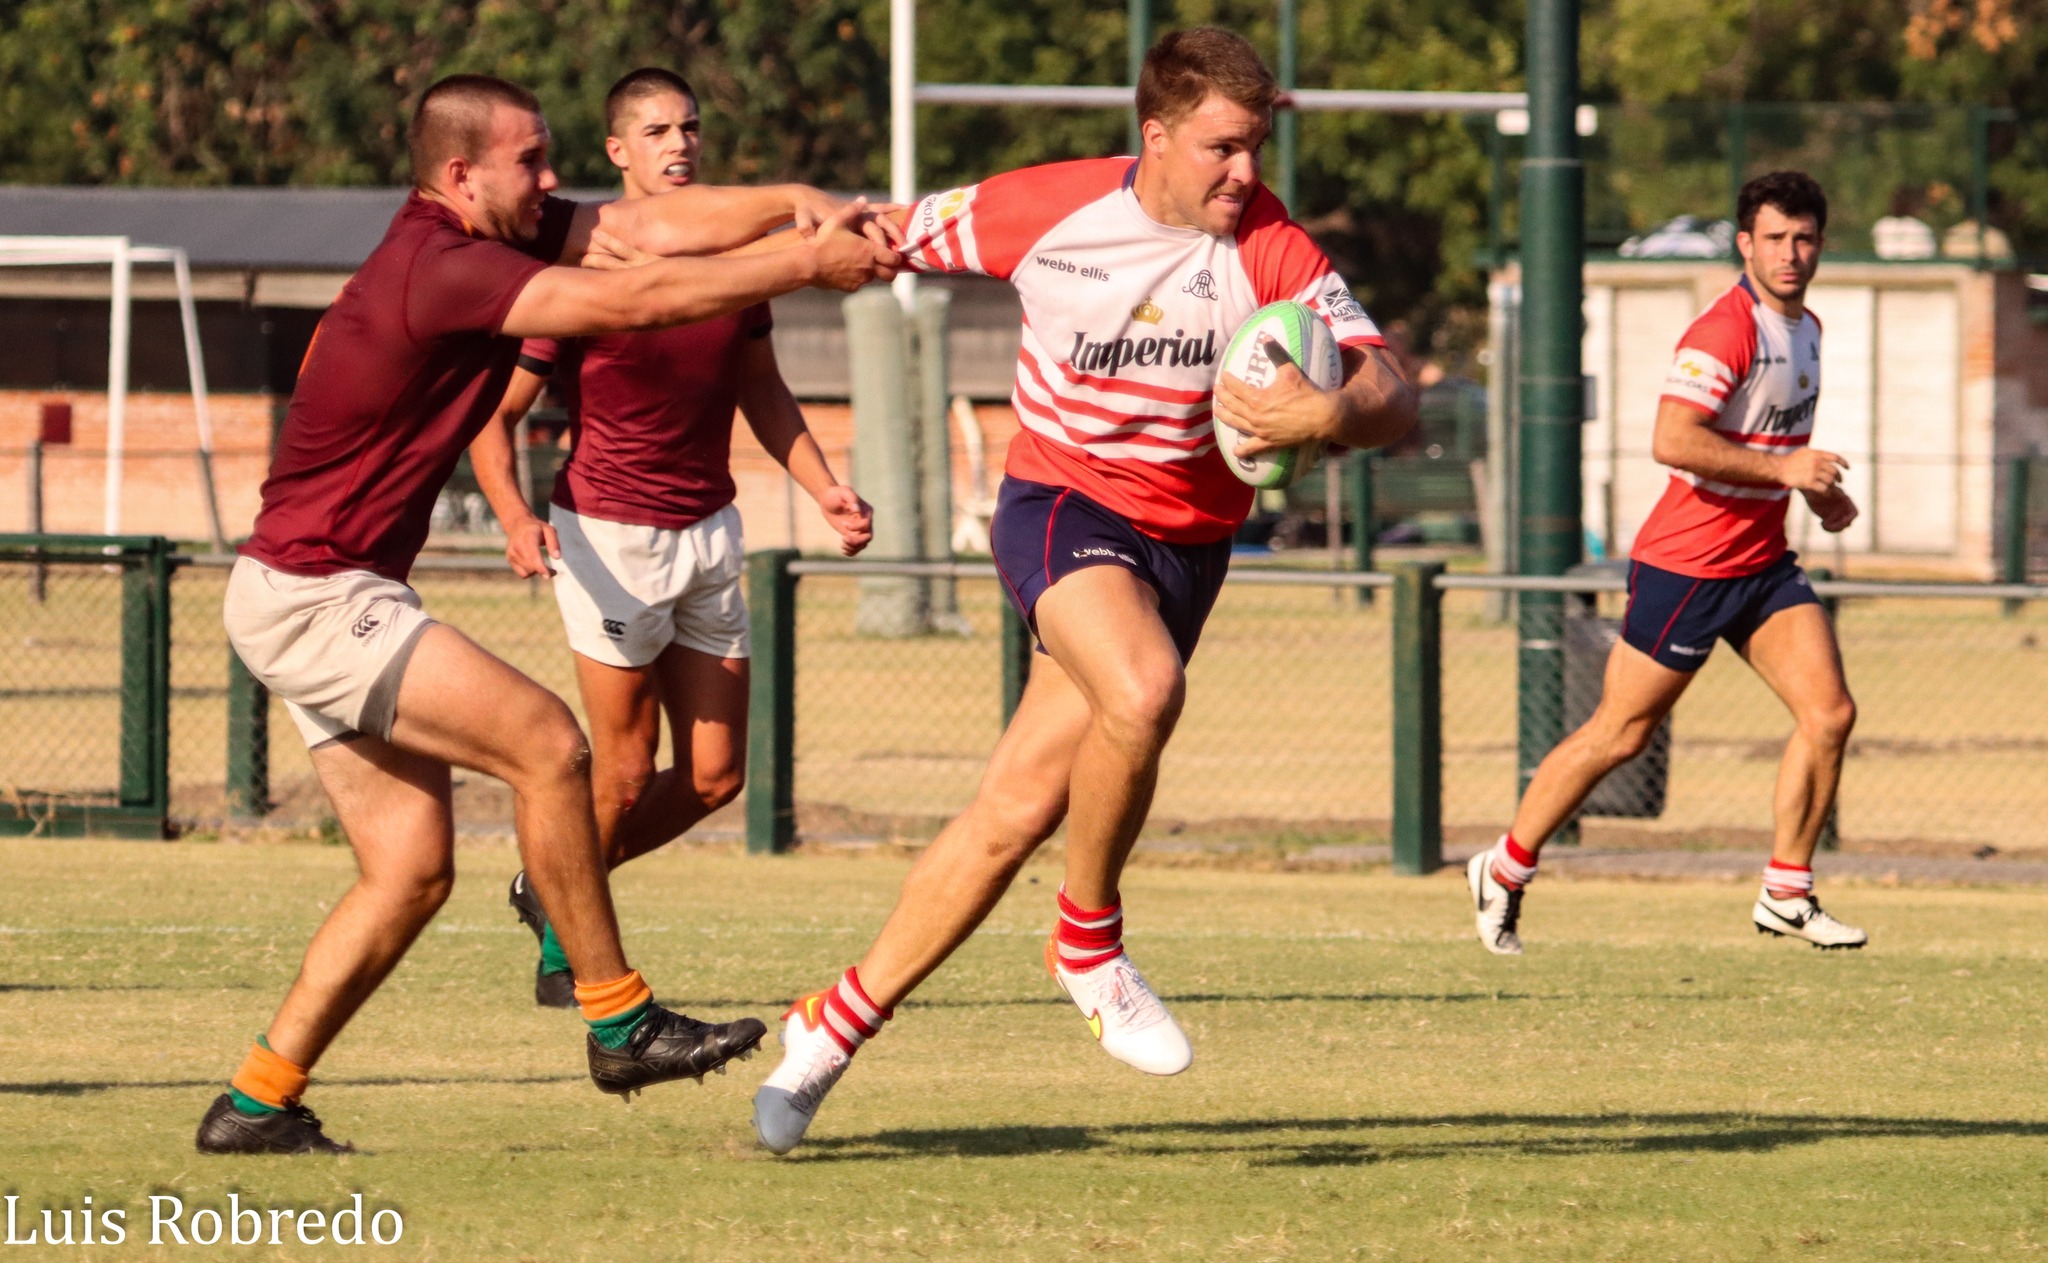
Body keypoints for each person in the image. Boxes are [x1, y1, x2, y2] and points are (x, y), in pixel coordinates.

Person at [199, 73, 899, 1155]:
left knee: (409, 874)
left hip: (317, 592)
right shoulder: (446, 268)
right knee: (551, 748)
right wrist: (805, 261)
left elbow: (643, 228)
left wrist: (791, 197)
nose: (551, 178)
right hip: (316, 596)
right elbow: (630, 298)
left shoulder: (490, 231)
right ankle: (618, 1019)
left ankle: (256, 1101)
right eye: (531, 162)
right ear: (459, 174)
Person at [746, 27, 1417, 1155]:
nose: (1245, 175)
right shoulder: (1040, 210)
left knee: (1010, 811)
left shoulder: (1268, 243)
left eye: (1254, 149)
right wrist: (694, 269)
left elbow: (1390, 386)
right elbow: (871, 237)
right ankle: (1088, 943)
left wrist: (1332, 413)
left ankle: (828, 1028)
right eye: (1221, 148)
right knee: (1144, 692)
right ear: (1153, 135)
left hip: (1186, 550)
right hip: (1060, 508)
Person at [468, 68, 875, 1009]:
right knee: (618, 771)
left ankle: (551, 887)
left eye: (688, 127)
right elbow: (494, 416)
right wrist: (515, 516)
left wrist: (826, 488)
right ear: (617, 152)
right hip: (607, 536)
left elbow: (760, 390)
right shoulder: (583, 270)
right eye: (655, 131)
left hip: (708, 530)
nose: (679, 145)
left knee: (714, 776)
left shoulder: (742, 264)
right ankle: (576, 938)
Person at [1466, 171, 1865, 957]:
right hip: (1689, 568)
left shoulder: (1808, 328)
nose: (1792, 253)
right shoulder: (1725, 331)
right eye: (1775, 238)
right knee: (1619, 733)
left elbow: (1772, 446)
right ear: (1745, 244)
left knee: (1830, 714)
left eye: (1805, 237)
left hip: (1761, 566)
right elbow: (1674, 440)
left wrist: (1816, 496)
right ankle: (1504, 866)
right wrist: (1786, 472)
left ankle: (1788, 889)